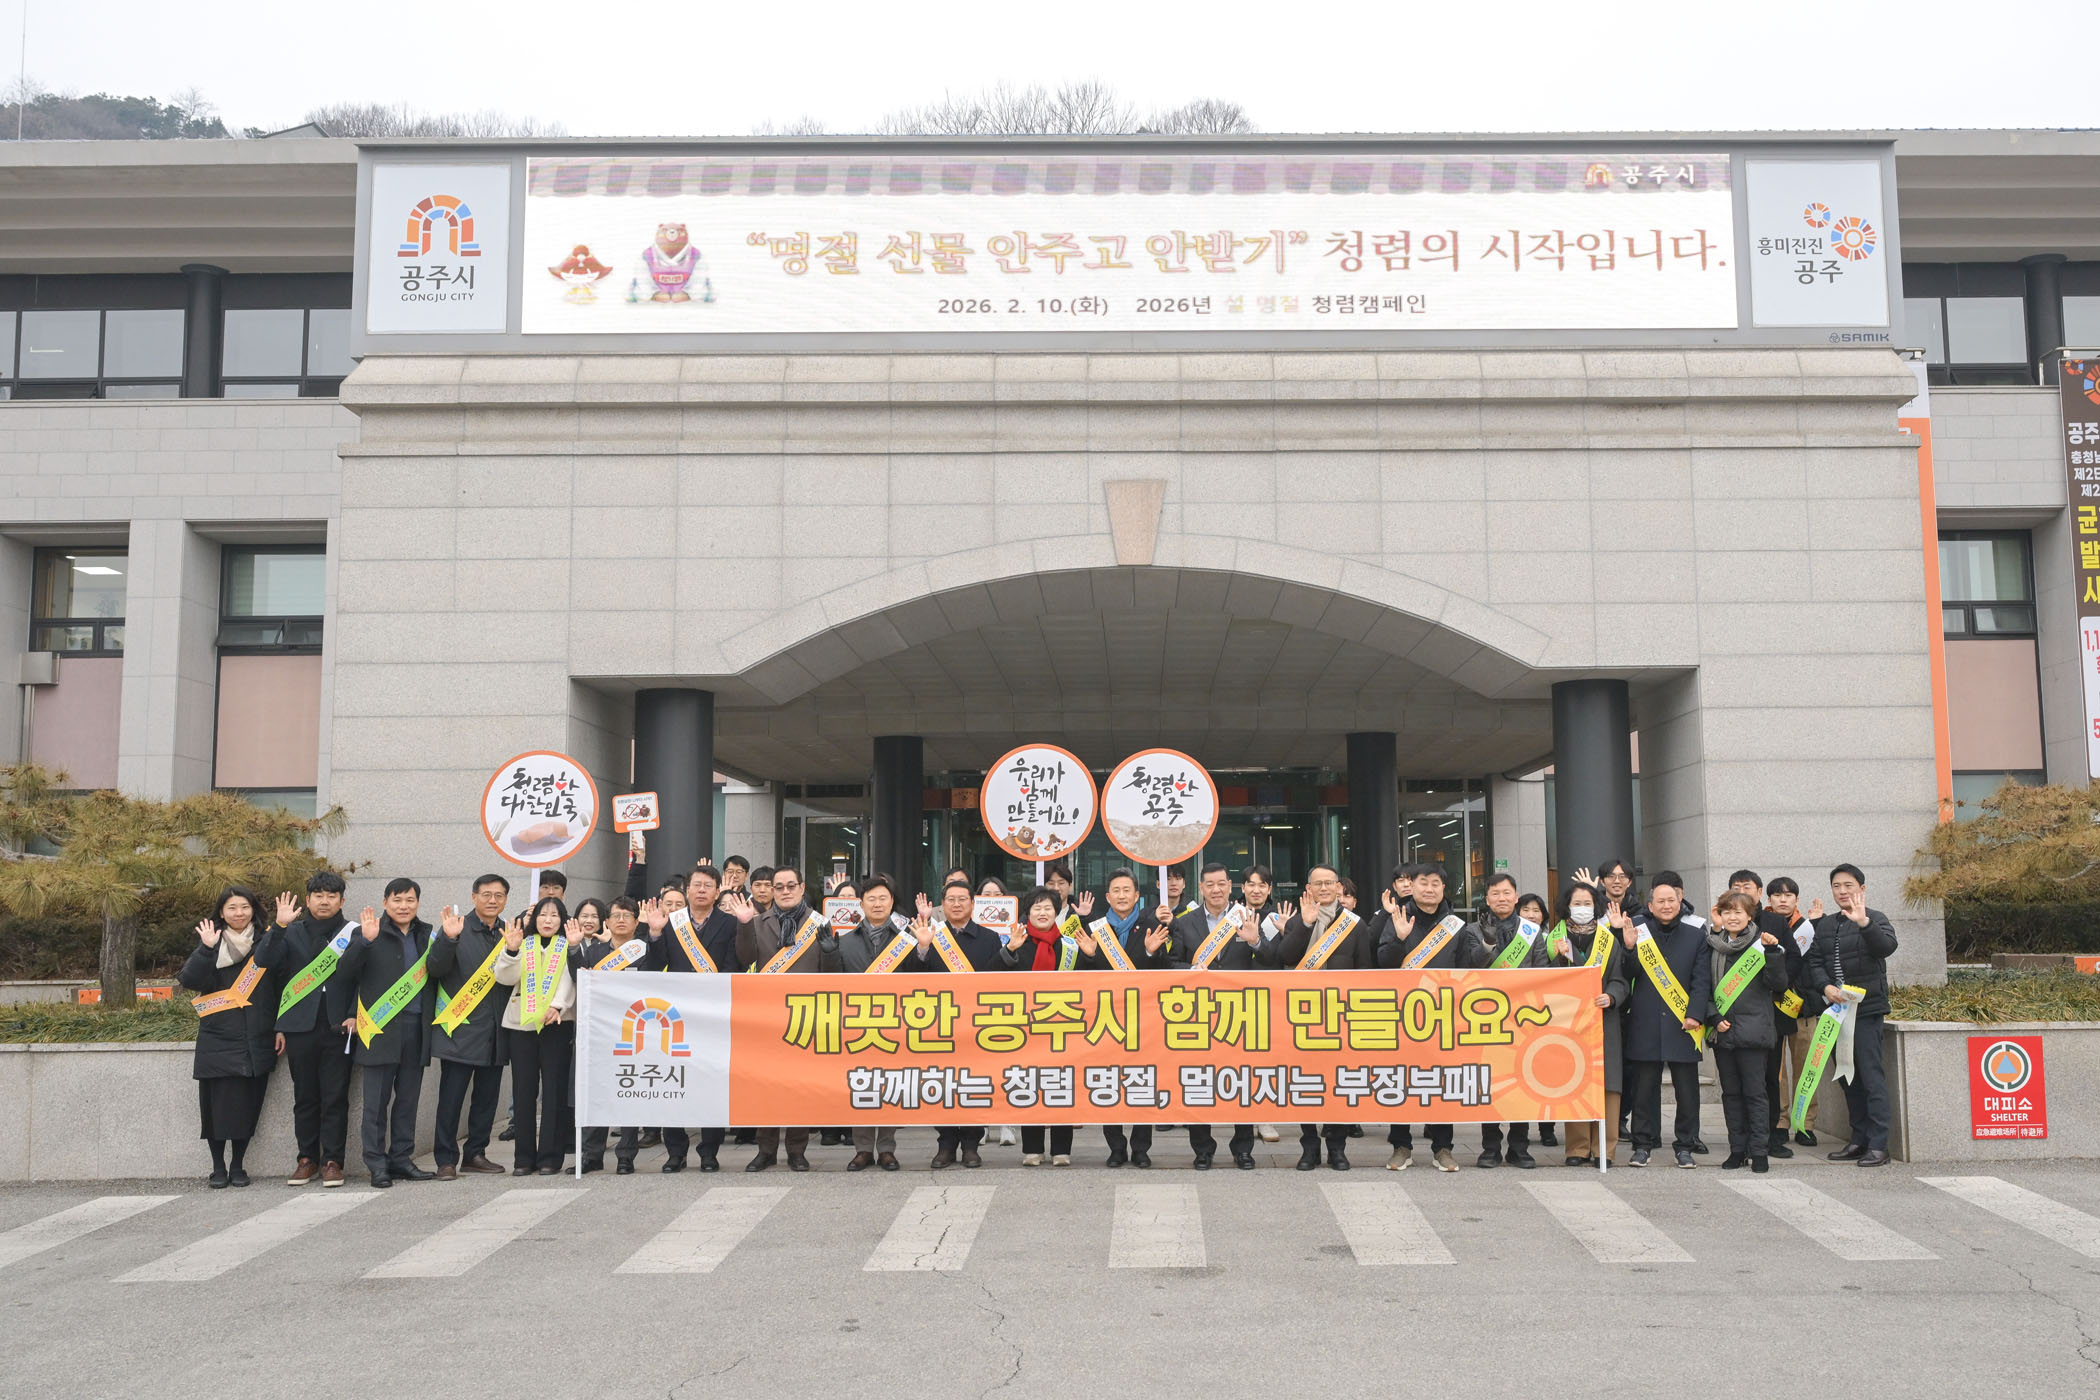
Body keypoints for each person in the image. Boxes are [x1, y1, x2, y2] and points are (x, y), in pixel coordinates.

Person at [898, 878, 1023, 1168]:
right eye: (951, 900)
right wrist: (923, 949)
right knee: (942, 1085)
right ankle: (945, 1144)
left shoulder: (989, 937)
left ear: (973, 903)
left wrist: (1009, 951)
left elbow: (995, 977)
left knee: (972, 1084)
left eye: (962, 899)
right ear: (943, 905)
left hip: (976, 1024)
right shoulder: (930, 933)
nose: (956, 904)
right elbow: (912, 977)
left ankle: (970, 1145)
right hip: (939, 1023)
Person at [1167, 862, 1279, 1169]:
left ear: (1230, 887)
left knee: (1241, 1081)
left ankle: (1243, 1149)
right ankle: (1203, 1149)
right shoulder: (1185, 922)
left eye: (1221, 884)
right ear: (1201, 888)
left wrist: (1256, 941)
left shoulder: (1246, 916)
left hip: (1239, 1011)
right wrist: (1192, 969)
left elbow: (1271, 960)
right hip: (1198, 1013)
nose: (1216, 890)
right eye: (1210, 885)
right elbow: (1171, 962)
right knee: (1198, 1080)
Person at [1272, 863, 1375, 1170]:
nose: (1325, 888)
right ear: (1309, 889)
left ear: (1338, 887)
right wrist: (1304, 925)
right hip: (1302, 1015)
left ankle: (1337, 1147)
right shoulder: (1298, 919)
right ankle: (1310, 1147)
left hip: (1341, 1016)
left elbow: (1365, 970)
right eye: (1318, 883)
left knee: (1338, 1083)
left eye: (1330, 883)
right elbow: (1284, 957)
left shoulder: (1355, 924)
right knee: (1306, 1082)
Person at [336, 880, 438, 1189]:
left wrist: (450, 940)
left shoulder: (426, 935)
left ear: (417, 903)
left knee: (407, 1100)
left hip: (416, 1027)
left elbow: (439, 970)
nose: (404, 906)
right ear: (385, 903)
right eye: (397, 900)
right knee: (375, 1104)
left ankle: (401, 1159)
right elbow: (345, 973)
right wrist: (365, 943)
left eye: (410, 900)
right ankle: (377, 1164)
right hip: (379, 1029)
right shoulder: (368, 931)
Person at [640, 865, 740, 1170]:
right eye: (696, 885)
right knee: (674, 1082)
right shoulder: (671, 922)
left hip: (713, 1015)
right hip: (676, 1016)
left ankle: (709, 1152)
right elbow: (654, 968)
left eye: (708, 885)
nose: (701, 890)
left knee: (711, 1084)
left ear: (717, 891)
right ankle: (676, 1151)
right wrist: (654, 934)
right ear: (687, 890)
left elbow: (732, 966)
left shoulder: (730, 923)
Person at [181, 886, 281, 1188]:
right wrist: (206, 949)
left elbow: (280, 984)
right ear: (222, 913)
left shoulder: (265, 940)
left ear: (253, 910)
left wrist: (280, 1027)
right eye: (232, 908)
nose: (239, 913)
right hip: (218, 1036)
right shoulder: (212, 941)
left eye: (245, 907)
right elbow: (190, 980)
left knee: (248, 1106)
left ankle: (238, 1165)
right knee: (215, 1108)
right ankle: (218, 1167)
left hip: (256, 1035)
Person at [1806, 863, 1900, 1168]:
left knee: (1871, 1077)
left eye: (1848, 885)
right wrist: (1825, 987)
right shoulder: (1825, 925)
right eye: (1837, 886)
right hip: (1835, 1012)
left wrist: (1864, 923)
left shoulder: (1876, 918)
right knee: (1847, 1077)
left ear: (1862, 888)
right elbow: (1814, 963)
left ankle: (1879, 1145)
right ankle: (1858, 1139)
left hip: (1866, 1012)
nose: (1842, 891)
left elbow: (1886, 947)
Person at [732, 866, 824, 1172]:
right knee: (766, 1086)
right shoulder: (758, 922)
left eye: (790, 886)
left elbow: (830, 972)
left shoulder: (819, 923)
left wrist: (830, 950)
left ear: (801, 888)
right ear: (772, 890)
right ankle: (766, 1150)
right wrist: (744, 925)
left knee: (800, 1087)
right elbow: (745, 958)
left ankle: (797, 1150)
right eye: (779, 886)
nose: (785, 891)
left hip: (806, 1014)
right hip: (767, 1016)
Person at [1622, 871, 1714, 1168]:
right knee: (1643, 1090)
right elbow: (1628, 974)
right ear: (1650, 905)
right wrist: (1629, 949)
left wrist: (1695, 1014)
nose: (1666, 905)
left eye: (1671, 900)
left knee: (1687, 1092)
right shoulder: (1638, 931)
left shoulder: (1695, 935)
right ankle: (1642, 1145)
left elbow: (1701, 980)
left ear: (1680, 902)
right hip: (1645, 1022)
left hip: (1683, 1023)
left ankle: (1685, 1145)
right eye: (1660, 901)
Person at [1378, 863, 1464, 1171]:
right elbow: (1383, 962)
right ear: (1411, 886)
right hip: (1402, 1013)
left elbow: (1467, 968)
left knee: (1442, 1080)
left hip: (1443, 1014)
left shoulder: (1455, 924)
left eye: (1435, 883)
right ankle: (1401, 1146)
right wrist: (1399, 939)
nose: (1429, 889)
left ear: (1443, 889)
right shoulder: (1397, 918)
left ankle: (1443, 1148)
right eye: (1423, 882)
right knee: (1401, 1079)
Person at [427, 873, 514, 1179]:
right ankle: (445, 1160)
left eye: (499, 895)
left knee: (487, 1100)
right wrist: (448, 939)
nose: (492, 900)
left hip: (496, 1031)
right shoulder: (456, 927)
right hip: (460, 1029)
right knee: (451, 1101)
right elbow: (435, 968)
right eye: (486, 895)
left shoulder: (509, 933)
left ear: (505, 899)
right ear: (474, 896)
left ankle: (476, 1153)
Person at [272, 871, 355, 1187]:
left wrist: (353, 1014)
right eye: (318, 895)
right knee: (305, 1096)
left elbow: (362, 980)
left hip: (339, 1028)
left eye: (331, 896)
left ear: (341, 901)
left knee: (336, 1097)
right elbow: (269, 968)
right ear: (307, 900)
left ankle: (333, 1161)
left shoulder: (354, 933)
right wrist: (278, 927)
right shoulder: (290, 932)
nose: (324, 901)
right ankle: (306, 1159)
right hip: (299, 1027)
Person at [824, 874, 911, 1172]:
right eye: (871, 899)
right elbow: (833, 982)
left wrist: (923, 948)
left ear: (892, 903)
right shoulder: (845, 941)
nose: (877, 904)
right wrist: (830, 955)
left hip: (895, 1023)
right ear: (860, 904)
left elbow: (920, 975)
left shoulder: (905, 940)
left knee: (890, 1086)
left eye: (883, 898)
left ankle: (887, 1149)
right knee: (860, 1084)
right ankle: (862, 1149)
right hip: (857, 1024)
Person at [1460, 873, 1545, 1168]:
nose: (1501, 898)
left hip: (1523, 1017)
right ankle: (1491, 1147)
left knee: (1523, 1083)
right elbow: (1469, 967)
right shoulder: (1473, 930)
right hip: (1486, 1017)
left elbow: (1543, 972)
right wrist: (1487, 943)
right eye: (1495, 894)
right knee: (1491, 1084)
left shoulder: (1531, 931)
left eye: (1507, 893)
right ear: (1487, 899)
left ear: (1516, 896)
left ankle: (1520, 1147)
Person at [1703, 891, 1791, 1173]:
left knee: (1755, 1094)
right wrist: (1714, 1017)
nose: (1732, 917)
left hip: (1753, 1033)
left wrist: (1773, 953)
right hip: (1722, 1033)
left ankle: (1759, 1151)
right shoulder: (1713, 946)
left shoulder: (1761, 945)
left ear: (1750, 915)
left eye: (1738, 912)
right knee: (1731, 1095)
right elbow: (1703, 987)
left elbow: (1779, 984)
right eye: (1727, 912)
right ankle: (1737, 1150)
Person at [1545, 881, 1629, 1166]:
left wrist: (1612, 996)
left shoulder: (1609, 939)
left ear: (1596, 907)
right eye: (1576, 903)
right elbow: (1545, 981)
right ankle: (1577, 1148)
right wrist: (1558, 958)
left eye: (1587, 904)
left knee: (1608, 1086)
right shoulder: (1555, 939)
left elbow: (1620, 978)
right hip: (1570, 1022)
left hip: (1604, 1020)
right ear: (1567, 906)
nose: (1582, 908)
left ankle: (1604, 1149)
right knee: (1575, 1081)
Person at [1093, 868, 1172, 1167]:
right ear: (1108, 896)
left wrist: (1151, 953)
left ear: (1137, 895)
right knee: (1109, 1082)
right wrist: (1089, 955)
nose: (1122, 895)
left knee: (1142, 1082)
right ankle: (1115, 1147)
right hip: (1106, 1018)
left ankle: (1141, 1148)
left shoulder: (1152, 926)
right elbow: (1083, 976)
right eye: (1116, 890)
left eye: (1127, 890)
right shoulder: (1096, 929)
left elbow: (1164, 970)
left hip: (1144, 1019)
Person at [494, 894, 576, 1176]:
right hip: (522, 1025)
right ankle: (523, 1159)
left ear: (562, 920)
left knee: (554, 1091)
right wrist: (511, 950)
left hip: (557, 1024)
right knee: (523, 1091)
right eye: (543, 914)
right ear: (534, 919)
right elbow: (504, 978)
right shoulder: (523, 944)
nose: (548, 920)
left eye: (554, 915)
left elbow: (571, 979)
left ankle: (550, 1158)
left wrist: (558, 1005)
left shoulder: (567, 945)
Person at [1010, 886, 1080, 1166]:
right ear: (1028, 913)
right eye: (1036, 908)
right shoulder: (1018, 941)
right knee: (1030, 1084)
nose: (1042, 913)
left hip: (1063, 1024)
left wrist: (1090, 956)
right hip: (1026, 1026)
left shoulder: (1068, 945)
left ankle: (1062, 1149)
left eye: (1047, 908)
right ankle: (1033, 1148)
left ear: (1056, 912)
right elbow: (991, 975)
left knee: (1061, 1084)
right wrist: (1009, 950)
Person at [569, 897, 628, 1173]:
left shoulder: (645, 951)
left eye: (627, 916)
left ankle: (626, 1156)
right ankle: (592, 1155)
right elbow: (578, 979)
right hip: (600, 1032)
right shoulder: (595, 952)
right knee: (597, 1091)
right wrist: (573, 948)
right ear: (608, 921)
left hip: (634, 1032)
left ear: (636, 921)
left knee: (630, 1091)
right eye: (616, 915)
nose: (621, 920)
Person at [1516, 891, 1560, 1148]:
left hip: (1540, 1012)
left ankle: (1547, 1128)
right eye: (1526, 910)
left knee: (1545, 1072)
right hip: (1512, 1014)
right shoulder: (1512, 937)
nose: (1531, 915)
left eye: (1536, 911)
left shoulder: (1552, 939)